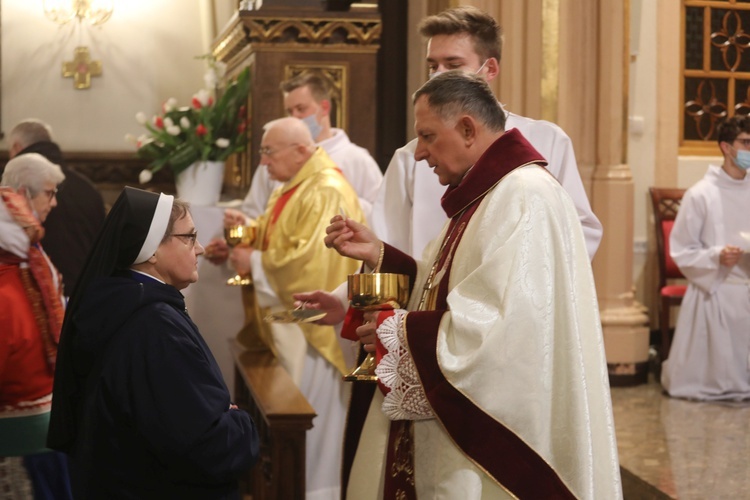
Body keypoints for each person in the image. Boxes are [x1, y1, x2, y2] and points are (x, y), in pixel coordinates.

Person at [300, 71, 622, 499]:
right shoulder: (487, 195)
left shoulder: (523, 195)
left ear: (468, 129)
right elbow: (442, 284)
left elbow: (505, 335)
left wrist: (398, 330)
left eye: (428, 136)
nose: (419, 154)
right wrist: (382, 255)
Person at [47, 187, 259, 499]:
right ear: (152, 250)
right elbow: (207, 446)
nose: (199, 248)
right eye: (189, 237)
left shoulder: (125, 304)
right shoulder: (154, 328)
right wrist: (242, 424)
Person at [372, 6, 602, 260]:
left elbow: (579, 230)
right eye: (432, 66)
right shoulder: (410, 159)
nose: (437, 76)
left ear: (489, 69)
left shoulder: (546, 142)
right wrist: (340, 298)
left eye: (453, 65)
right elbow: (387, 244)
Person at [226, 117, 364, 500]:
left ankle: (317, 492)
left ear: (302, 150)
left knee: (314, 425)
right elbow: (282, 239)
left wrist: (252, 261)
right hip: (296, 325)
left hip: (315, 331)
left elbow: (310, 265)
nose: (263, 162)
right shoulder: (291, 186)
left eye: (269, 152)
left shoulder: (326, 189)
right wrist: (250, 233)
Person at [661, 115, 750, 401]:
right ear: (726, 147)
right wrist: (716, 256)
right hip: (716, 289)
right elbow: (681, 250)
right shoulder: (700, 195)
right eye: (746, 142)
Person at [0, 153, 71, 499]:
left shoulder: (31, 259)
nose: (54, 203)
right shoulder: (8, 274)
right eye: (49, 193)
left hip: (46, 437)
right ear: (23, 196)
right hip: (18, 448)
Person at [238, 72, 382, 222]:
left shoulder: (357, 159)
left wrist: (340, 197)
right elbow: (254, 213)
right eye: (290, 111)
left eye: (301, 109)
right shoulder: (274, 157)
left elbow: (380, 215)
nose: (295, 117)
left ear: (324, 107)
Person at [8, 119, 106, 297]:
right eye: (49, 194)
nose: (53, 203)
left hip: (35, 297)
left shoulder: (11, 191)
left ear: (15, 147)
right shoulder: (88, 189)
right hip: (86, 298)